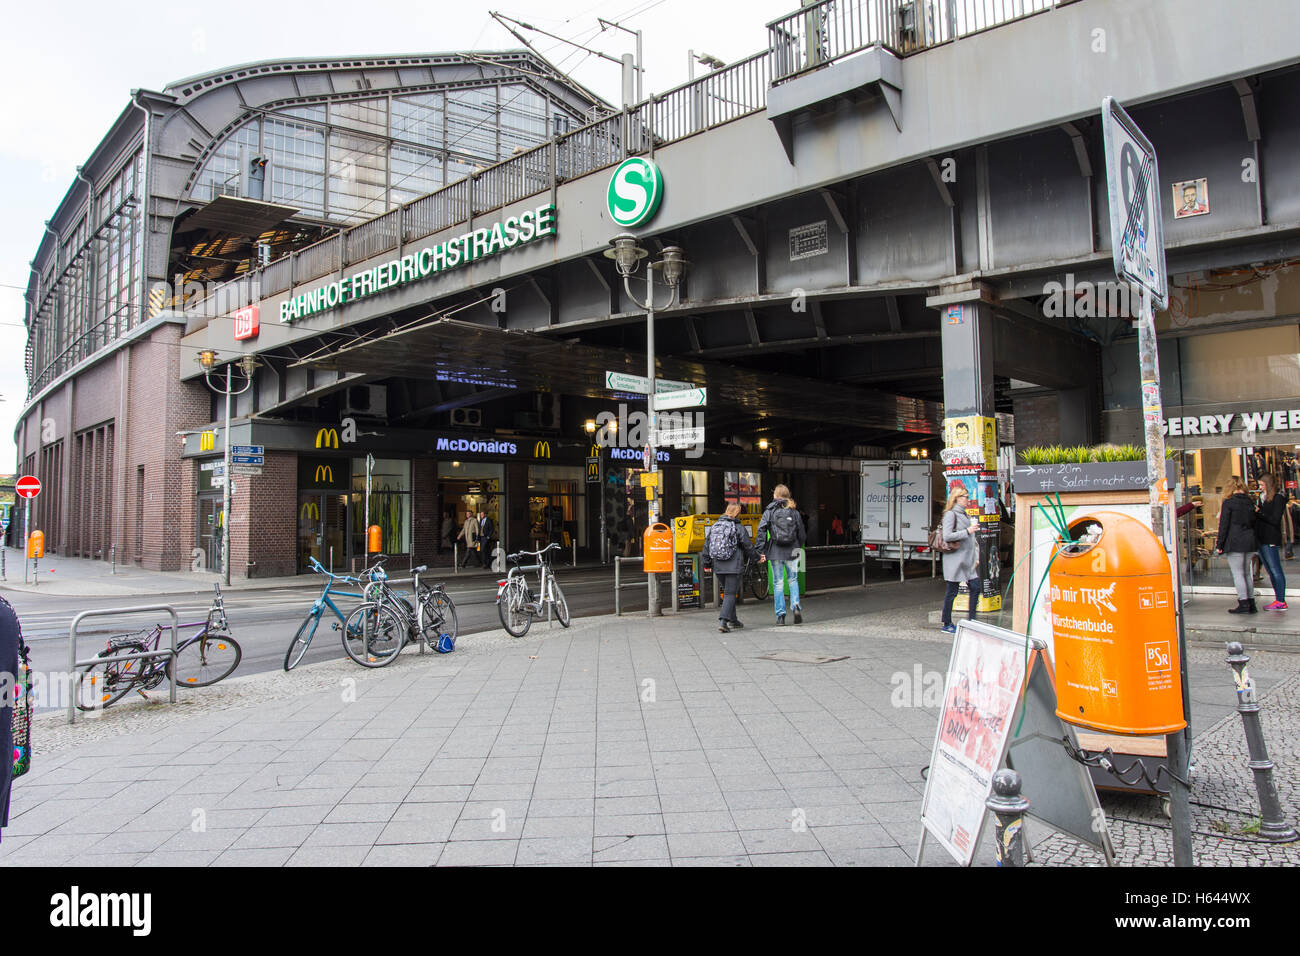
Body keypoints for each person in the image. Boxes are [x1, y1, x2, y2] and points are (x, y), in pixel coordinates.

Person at [704, 503, 765, 633]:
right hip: (733, 565)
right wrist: (757, 557)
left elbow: (707, 545)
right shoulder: (738, 527)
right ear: (737, 513)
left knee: (728, 592)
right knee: (730, 593)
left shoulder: (715, 526)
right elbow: (748, 546)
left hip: (718, 565)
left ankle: (733, 620)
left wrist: (707, 564)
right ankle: (723, 621)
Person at [757, 485, 806, 625]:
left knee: (778, 583)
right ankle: (796, 606)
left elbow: (761, 530)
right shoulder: (794, 512)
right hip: (792, 550)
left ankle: (780, 616)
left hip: (775, 552)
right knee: (793, 579)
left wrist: (760, 550)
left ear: (775, 495)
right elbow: (801, 532)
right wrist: (798, 545)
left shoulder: (770, 511)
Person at [939, 488, 981, 634]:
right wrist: (968, 531)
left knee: (976, 587)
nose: (967, 499)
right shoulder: (951, 514)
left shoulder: (964, 514)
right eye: (965, 497)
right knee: (952, 591)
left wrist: (975, 557)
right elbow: (947, 536)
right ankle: (946, 622)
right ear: (957, 498)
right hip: (955, 560)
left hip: (967, 561)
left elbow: (971, 541)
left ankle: (972, 621)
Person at [1216, 475, 1258, 614]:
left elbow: (1224, 525)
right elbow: (1254, 522)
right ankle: (1251, 603)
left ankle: (1243, 603)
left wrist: (1219, 544)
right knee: (1246, 573)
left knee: (1238, 574)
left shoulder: (1229, 502)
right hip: (1249, 541)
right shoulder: (1250, 501)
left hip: (1235, 541)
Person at [1255, 474, 1288, 610]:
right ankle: (1278, 599)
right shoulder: (1263, 499)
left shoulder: (1278, 498)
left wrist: (1259, 512)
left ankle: (1281, 600)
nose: (1260, 487)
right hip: (1261, 538)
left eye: (1262, 485)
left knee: (1275, 569)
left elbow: (1274, 519)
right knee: (1270, 569)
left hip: (1270, 539)